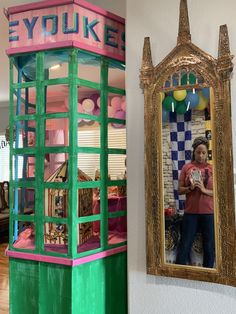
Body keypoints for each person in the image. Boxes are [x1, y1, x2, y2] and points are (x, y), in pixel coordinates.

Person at [175, 136, 214, 268]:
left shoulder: (212, 168)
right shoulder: (187, 167)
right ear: (194, 152)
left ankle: (208, 274)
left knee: (209, 245)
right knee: (185, 244)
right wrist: (189, 188)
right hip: (190, 213)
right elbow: (179, 190)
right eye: (198, 152)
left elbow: (218, 193)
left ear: (207, 152)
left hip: (209, 213)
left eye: (203, 152)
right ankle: (179, 273)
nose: (201, 155)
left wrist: (203, 190)